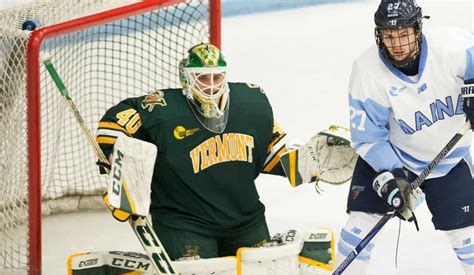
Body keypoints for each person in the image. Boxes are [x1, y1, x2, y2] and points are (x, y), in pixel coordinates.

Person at [95, 43, 354, 261]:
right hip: (185, 223)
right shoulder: (161, 108)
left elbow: (268, 152)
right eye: (203, 78)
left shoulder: (251, 103)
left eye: (216, 77)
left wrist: (308, 164)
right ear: (187, 78)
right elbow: (113, 126)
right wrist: (119, 167)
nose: (210, 85)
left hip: (244, 219)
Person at [324, 1, 474, 275]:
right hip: (394, 156)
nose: (396, 43)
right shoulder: (367, 70)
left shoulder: (453, 47)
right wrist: (392, 175)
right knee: (358, 231)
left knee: (468, 241)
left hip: (448, 163)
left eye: (403, 34)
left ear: (419, 29)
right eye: (388, 35)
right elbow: (369, 137)